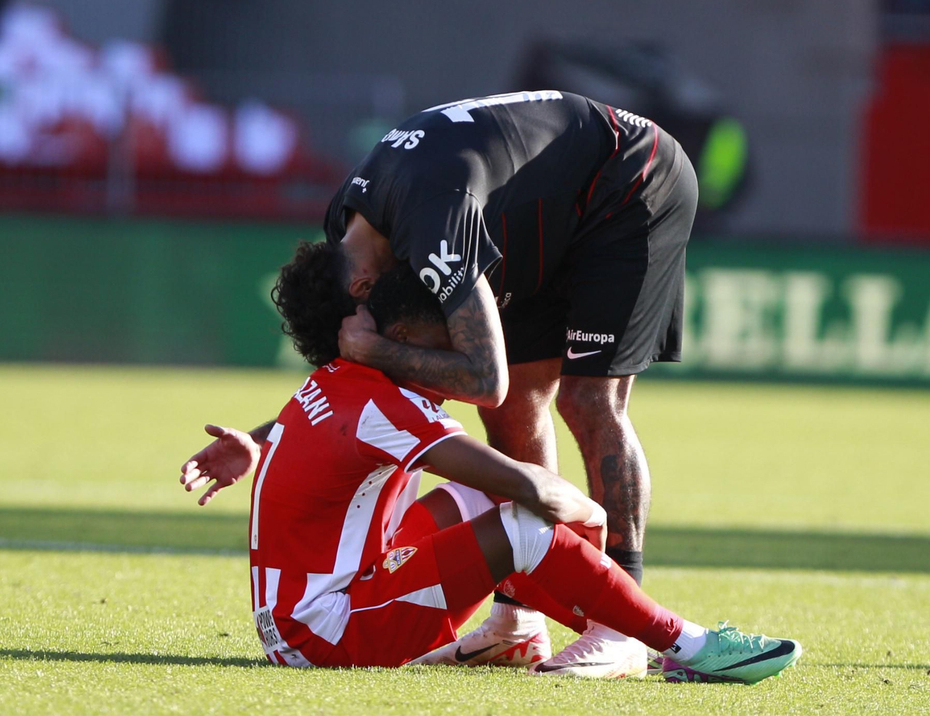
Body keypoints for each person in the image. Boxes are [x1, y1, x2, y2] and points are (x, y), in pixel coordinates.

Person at [208, 91, 698, 677]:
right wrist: (268, 439)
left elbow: (481, 380)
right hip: (547, 206)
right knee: (517, 408)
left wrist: (378, 348)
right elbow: (359, 389)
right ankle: (519, 622)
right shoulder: (348, 230)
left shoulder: (433, 224)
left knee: (587, 399)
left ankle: (620, 629)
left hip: (626, 180)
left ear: (363, 290)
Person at [181, 256, 800, 683]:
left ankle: (532, 634)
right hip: (325, 636)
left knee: (481, 504)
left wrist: (258, 444)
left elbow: (323, 437)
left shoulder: (344, 379)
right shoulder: (387, 404)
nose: (461, 357)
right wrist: (590, 511)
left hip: (318, 608)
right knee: (526, 522)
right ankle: (683, 645)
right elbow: (527, 487)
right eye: (444, 341)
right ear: (401, 337)